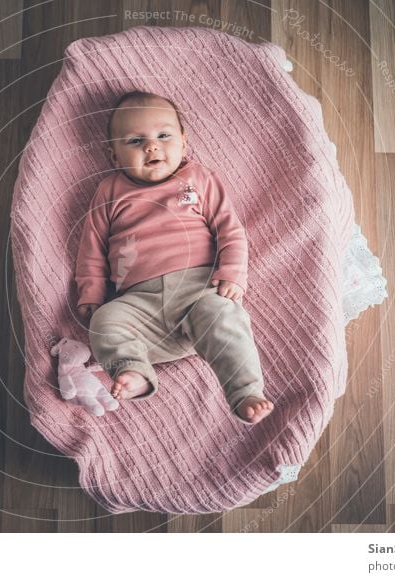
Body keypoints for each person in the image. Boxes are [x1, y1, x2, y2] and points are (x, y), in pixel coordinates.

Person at [75, 91, 273, 425]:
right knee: (104, 323)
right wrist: (92, 293)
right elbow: (91, 247)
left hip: (199, 294)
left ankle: (245, 391)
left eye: (163, 136)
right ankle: (134, 372)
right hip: (140, 304)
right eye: (135, 140)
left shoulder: (198, 178)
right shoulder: (109, 191)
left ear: (184, 143)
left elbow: (230, 229)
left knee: (225, 316)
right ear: (113, 155)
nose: (151, 147)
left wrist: (233, 272)